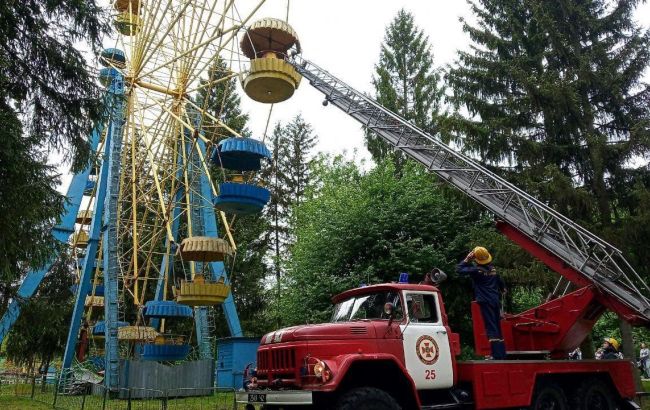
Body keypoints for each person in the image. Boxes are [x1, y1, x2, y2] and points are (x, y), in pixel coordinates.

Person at [457, 246, 507, 360]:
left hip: (485, 301)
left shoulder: (476, 271)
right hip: (495, 300)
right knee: (497, 326)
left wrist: (466, 259)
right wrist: (503, 288)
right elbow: (501, 284)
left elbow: (459, 269)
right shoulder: (493, 270)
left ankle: (497, 355)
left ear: (476, 258)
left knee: (491, 326)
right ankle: (501, 353)